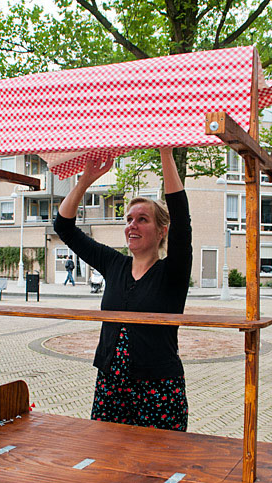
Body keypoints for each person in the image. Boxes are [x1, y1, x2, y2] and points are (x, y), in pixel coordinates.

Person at [54, 148, 192, 431]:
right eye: (129, 219)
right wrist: (86, 180)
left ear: (162, 230)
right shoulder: (113, 263)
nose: (132, 225)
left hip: (159, 388)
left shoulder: (173, 271)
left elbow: (180, 214)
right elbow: (64, 227)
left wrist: (165, 152)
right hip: (110, 385)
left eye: (143, 219)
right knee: (108, 462)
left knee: (157, 466)